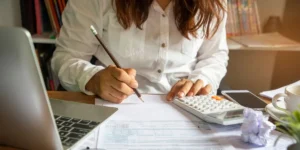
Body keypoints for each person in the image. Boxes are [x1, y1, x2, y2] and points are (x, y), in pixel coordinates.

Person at [52, 0, 229, 103]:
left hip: (187, 106)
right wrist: (92, 79)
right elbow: (67, 57)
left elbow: (214, 55)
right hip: (113, 105)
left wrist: (201, 80)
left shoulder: (213, 3)